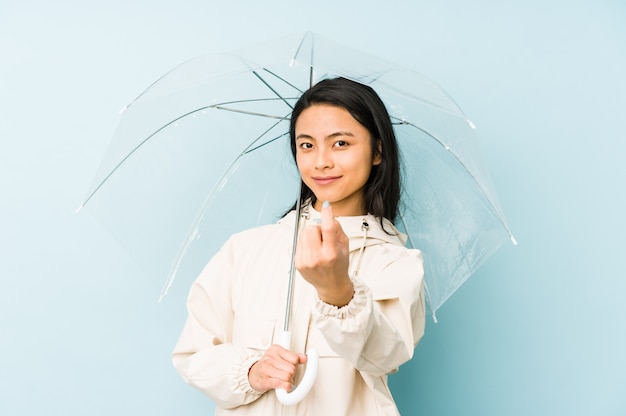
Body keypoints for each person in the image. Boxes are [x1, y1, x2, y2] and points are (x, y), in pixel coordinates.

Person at [172, 77, 425, 415]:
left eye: (340, 144)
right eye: (306, 145)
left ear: (377, 151)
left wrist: (338, 291)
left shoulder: (395, 263)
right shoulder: (245, 249)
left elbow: (385, 356)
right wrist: (252, 371)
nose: (320, 162)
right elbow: (193, 355)